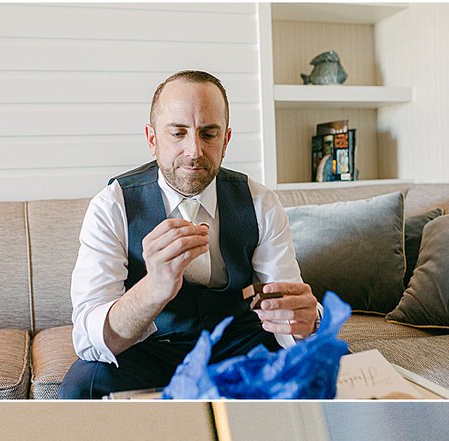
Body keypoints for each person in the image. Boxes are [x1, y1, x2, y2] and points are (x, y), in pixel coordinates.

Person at [59, 70, 320, 398]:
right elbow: (88, 337)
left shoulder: (260, 202)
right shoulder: (112, 206)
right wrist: (154, 289)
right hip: (151, 348)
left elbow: (286, 303)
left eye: (208, 134)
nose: (194, 151)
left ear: (225, 140)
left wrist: (306, 325)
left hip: (237, 341)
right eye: (178, 133)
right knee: (81, 387)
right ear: (153, 139)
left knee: (327, 366)